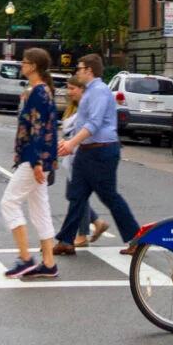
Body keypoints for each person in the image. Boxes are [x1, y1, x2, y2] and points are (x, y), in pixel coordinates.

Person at [54, 53, 140, 258]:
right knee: (77, 196)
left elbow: (94, 124)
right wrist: (70, 142)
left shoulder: (100, 92)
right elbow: (83, 124)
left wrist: (71, 144)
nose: (77, 71)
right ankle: (66, 241)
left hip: (101, 151)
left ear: (89, 71)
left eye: (79, 68)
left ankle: (137, 239)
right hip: (87, 151)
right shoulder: (90, 92)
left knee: (109, 196)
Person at [0, 46, 61, 279]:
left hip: (32, 159)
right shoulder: (43, 91)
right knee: (40, 209)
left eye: (24, 62)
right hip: (42, 159)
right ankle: (49, 263)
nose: (21, 65)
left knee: (9, 203)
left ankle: (25, 258)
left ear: (34, 66)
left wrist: (35, 162)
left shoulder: (38, 92)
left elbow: (37, 129)